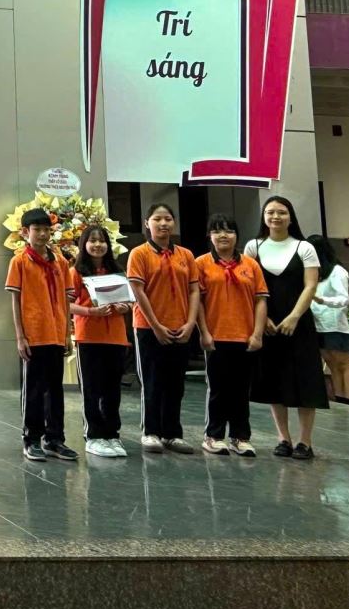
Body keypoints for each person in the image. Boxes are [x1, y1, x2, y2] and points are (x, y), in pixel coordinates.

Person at [246, 195, 329, 459]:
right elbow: (248, 287)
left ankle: (305, 442)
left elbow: (310, 286)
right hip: (267, 324)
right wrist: (263, 319)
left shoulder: (304, 247)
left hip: (299, 324)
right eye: (270, 212)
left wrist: (294, 316)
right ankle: (283, 438)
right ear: (264, 217)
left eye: (281, 212)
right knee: (274, 381)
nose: (275, 217)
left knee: (306, 381)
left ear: (290, 217)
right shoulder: (253, 247)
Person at [126, 203, 201, 454]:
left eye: (168, 219)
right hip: (149, 328)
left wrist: (190, 323)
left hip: (180, 327)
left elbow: (194, 290)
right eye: (157, 219)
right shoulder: (139, 254)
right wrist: (156, 325)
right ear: (147, 223)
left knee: (176, 384)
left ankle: (172, 433)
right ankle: (150, 432)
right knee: (152, 382)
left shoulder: (186, 255)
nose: (163, 223)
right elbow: (138, 292)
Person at [5, 206, 76, 462]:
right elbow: (15, 301)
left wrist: (66, 334)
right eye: (37, 230)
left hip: (55, 334)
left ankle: (55, 439)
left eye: (47, 230)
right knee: (34, 389)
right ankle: (31, 438)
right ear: (26, 232)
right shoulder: (19, 261)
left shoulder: (60, 262)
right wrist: (20, 336)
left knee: (55, 389)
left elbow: (66, 300)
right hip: (33, 335)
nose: (43, 234)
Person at [195, 213, 268, 457]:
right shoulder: (201, 263)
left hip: (245, 337)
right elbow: (198, 302)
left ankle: (240, 437)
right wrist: (204, 332)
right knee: (217, 389)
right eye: (217, 231)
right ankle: (213, 436)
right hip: (216, 337)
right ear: (209, 236)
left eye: (228, 231)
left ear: (237, 235)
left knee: (241, 390)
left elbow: (260, 300)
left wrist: (257, 334)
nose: (223, 235)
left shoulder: (251, 265)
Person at [68, 223, 131, 459]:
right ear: (84, 245)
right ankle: (94, 436)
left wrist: (125, 306)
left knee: (112, 390)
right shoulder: (76, 272)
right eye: (92, 240)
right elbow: (66, 304)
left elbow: (128, 301)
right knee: (92, 389)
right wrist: (90, 312)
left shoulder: (116, 271)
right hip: (89, 337)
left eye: (102, 240)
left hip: (115, 338)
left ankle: (112, 434)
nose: (97, 245)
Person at [310, 235, 349, 406]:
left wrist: (323, 300)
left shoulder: (337, 271)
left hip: (335, 324)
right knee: (331, 363)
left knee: (344, 363)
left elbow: (344, 299)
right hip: (318, 324)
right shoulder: (315, 273)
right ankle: (340, 400)